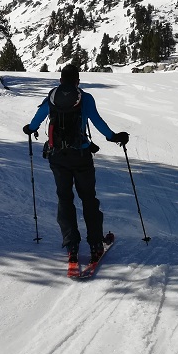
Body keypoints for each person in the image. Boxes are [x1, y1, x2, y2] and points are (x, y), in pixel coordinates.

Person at [23, 65, 129, 264]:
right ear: (77, 82)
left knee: (65, 199)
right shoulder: (85, 98)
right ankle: (96, 244)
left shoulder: (52, 96)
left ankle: (71, 245)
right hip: (81, 156)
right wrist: (113, 137)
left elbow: (37, 119)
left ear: (61, 80)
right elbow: (97, 121)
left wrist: (30, 128)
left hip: (57, 157)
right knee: (89, 199)